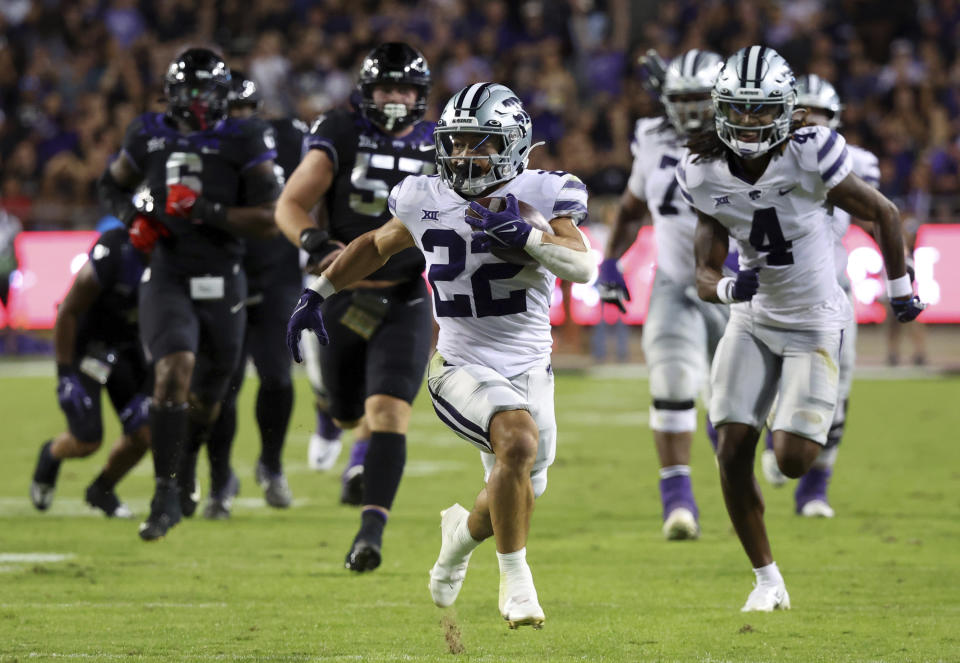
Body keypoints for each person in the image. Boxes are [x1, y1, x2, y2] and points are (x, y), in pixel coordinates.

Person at [287, 82, 596, 628]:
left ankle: (458, 539)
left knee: (517, 485)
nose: (462, 156)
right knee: (517, 442)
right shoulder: (424, 195)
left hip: (530, 369)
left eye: (478, 143)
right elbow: (376, 246)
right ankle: (516, 584)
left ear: (513, 144)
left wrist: (525, 235)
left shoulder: (544, 193)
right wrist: (319, 292)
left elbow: (581, 266)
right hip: (459, 365)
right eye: (455, 143)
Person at [681, 46, 924, 611]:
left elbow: (884, 213)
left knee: (791, 459)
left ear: (788, 111)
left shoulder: (812, 153)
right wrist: (724, 290)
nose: (748, 121)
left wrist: (899, 290)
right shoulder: (702, 169)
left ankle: (778, 407)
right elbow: (703, 270)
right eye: (738, 109)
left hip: (816, 321)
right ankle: (766, 580)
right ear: (721, 109)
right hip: (755, 318)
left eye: (761, 109)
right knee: (731, 445)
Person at [97, 47, 281, 540]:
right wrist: (136, 218)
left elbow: (270, 218)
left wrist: (204, 210)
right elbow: (110, 186)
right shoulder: (147, 132)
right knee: (172, 371)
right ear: (173, 94)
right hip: (169, 273)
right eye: (190, 92)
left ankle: (188, 469)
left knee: (209, 401)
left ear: (224, 97)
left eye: (207, 92)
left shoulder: (245, 136)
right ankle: (164, 497)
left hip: (224, 275)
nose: (198, 102)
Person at [274, 42, 436, 570]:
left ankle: (371, 532)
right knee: (348, 413)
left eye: (405, 88)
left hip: (406, 293)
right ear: (368, 92)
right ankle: (328, 415)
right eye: (386, 87)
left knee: (389, 410)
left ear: (420, 95)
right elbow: (291, 203)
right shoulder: (340, 131)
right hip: (343, 292)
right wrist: (318, 246)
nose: (395, 98)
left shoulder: (440, 143)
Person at [597, 49, 725, 541]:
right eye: (682, 99)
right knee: (671, 382)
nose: (691, 110)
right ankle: (678, 503)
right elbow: (631, 210)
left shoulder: (748, 141)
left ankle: (739, 464)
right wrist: (611, 260)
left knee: (736, 407)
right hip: (677, 283)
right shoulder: (652, 141)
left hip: (738, 289)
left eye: (700, 98)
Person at [758, 74, 882, 518]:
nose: (813, 122)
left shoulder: (856, 161)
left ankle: (815, 490)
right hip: (776, 293)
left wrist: (897, 278)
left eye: (822, 114)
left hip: (833, 294)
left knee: (838, 391)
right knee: (771, 382)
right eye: (804, 112)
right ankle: (777, 436)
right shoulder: (765, 159)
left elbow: (876, 218)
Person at [194, 72, 306, 517]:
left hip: (276, 270)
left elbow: (319, 186)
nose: (239, 120)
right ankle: (221, 479)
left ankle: (271, 465)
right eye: (231, 112)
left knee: (277, 376)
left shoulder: (288, 137)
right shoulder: (203, 146)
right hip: (226, 272)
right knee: (222, 385)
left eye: (245, 111)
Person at [30, 227, 152, 518]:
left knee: (145, 432)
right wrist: (64, 374)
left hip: (128, 347)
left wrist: (150, 390)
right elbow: (68, 311)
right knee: (86, 440)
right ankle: (51, 455)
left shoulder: (177, 255)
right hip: (89, 349)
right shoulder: (116, 250)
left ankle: (103, 489)